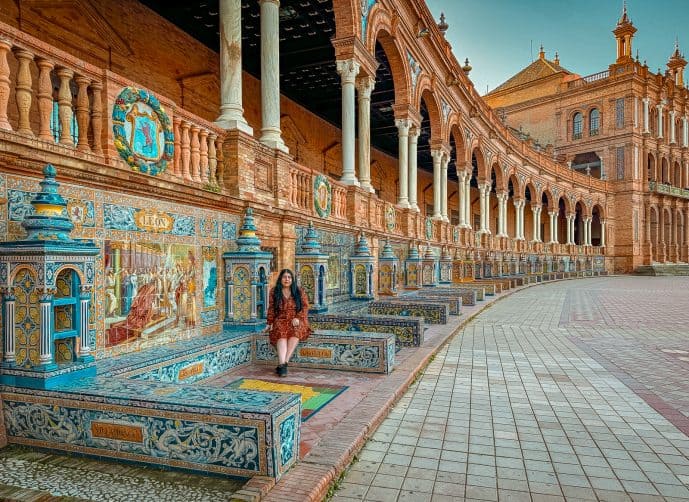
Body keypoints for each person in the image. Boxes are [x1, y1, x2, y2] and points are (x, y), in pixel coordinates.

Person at [266, 269, 311, 377]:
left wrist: (298, 318)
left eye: (289, 277)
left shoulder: (299, 291)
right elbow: (271, 308)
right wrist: (269, 322)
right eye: (284, 277)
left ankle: (282, 365)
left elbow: (305, 307)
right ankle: (283, 364)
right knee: (281, 332)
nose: (287, 279)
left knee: (295, 331)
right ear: (280, 279)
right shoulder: (274, 291)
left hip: (296, 318)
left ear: (292, 279)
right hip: (281, 318)